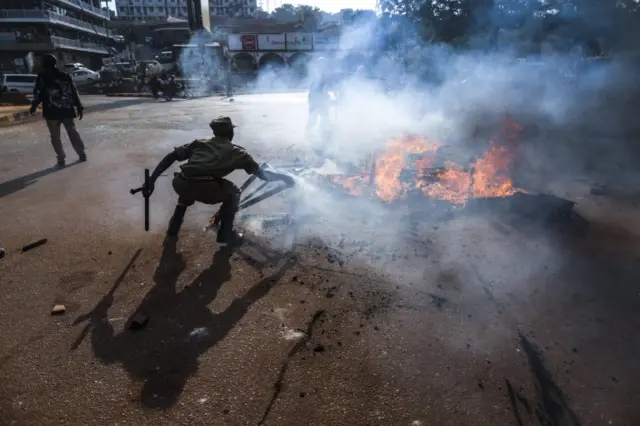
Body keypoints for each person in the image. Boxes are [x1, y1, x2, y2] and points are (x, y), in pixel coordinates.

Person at [142, 117, 295, 244]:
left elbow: (171, 156)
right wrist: (285, 178)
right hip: (202, 185)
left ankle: (172, 232)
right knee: (234, 193)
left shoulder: (201, 142)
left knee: (187, 192)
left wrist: (152, 180)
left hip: (181, 182)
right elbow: (261, 174)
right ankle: (226, 234)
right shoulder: (238, 152)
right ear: (231, 132)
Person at [30, 54, 86, 167]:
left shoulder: (42, 76)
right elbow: (73, 91)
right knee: (72, 132)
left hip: (52, 113)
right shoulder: (65, 75)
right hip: (67, 110)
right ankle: (81, 153)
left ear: (45, 64)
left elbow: (39, 93)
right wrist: (79, 106)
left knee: (55, 136)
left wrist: (34, 105)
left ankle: (61, 158)